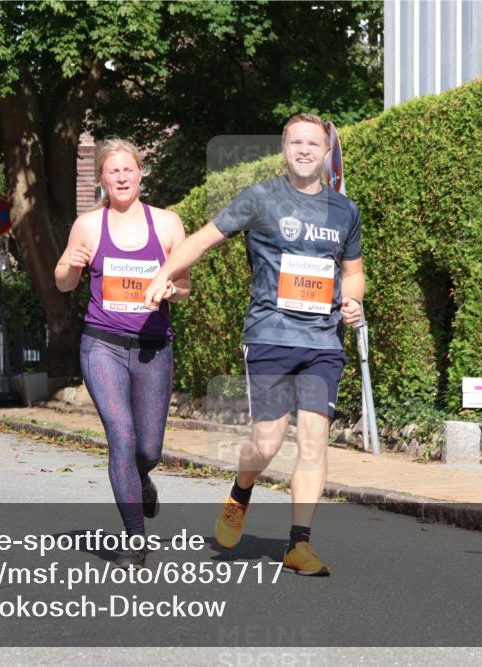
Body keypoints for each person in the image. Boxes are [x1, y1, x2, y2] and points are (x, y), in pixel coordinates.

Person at [145, 113, 365, 576]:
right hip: (269, 336)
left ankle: (298, 544)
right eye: (296, 143)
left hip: (324, 340)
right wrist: (163, 275)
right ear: (284, 149)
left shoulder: (344, 211)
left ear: (327, 152)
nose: (305, 150)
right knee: (266, 441)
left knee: (313, 439)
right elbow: (202, 240)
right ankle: (243, 488)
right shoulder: (260, 198)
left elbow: (353, 272)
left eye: (313, 143)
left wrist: (354, 302)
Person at [55, 138, 191, 568]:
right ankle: (135, 537)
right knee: (121, 435)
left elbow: (185, 286)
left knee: (147, 449)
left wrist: (173, 287)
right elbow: (62, 282)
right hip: (103, 345)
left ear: (140, 173)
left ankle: (143, 478)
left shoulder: (168, 224)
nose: (121, 177)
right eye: (112, 171)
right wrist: (73, 264)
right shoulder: (88, 225)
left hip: (153, 346)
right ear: (101, 179)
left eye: (127, 169)